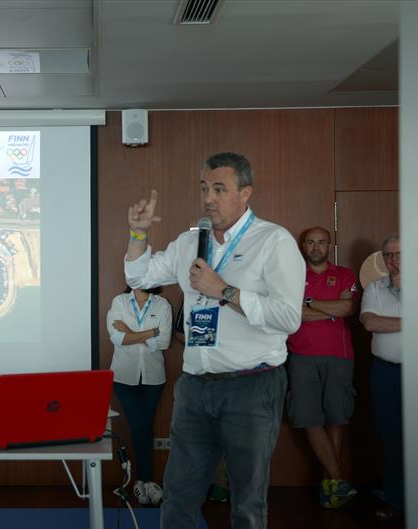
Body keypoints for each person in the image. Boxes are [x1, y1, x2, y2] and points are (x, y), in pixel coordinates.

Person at [124, 152, 304, 529]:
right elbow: (139, 276)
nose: (208, 197)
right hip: (194, 388)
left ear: (245, 193)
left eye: (220, 189)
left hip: (252, 386)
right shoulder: (191, 241)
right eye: (205, 188)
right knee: (178, 497)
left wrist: (225, 292)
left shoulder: (274, 241)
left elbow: (288, 318)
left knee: (246, 503)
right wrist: (138, 234)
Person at [286, 226, 359, 508]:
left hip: (339, 356)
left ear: (330, 245)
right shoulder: (291, 276)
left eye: (321, 242)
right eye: (310, 242)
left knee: (336, 417)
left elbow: (347, 309)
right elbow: (290, 315)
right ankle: (338, 479)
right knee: (309, 418)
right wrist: (329, 309)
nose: (316, 247)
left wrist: (309, 303)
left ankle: (331, 484)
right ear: (303, 246)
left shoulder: (345, 274)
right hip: (300, 355)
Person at [107, 285, 172, 505]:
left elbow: (164, 342)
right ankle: (147, 481)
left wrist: (131, 332)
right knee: (138, 425)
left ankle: (141, 483)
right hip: (124, 376)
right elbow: (117, 337)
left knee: (146, 424)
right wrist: (152, 332)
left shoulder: (162, 305)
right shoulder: (120, 302)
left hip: (153, 377)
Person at [360, 234, 403, 521]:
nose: (393, 260)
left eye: (399, 254)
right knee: (390, 437)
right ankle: (395, 500)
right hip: (386, 373)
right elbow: (370, 322)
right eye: (388, 255)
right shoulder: (374, 288)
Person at [174, 298, 230, 504]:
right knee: (196, 434)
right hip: (199, 376)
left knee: (228, 434)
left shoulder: (240, 289)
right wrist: (205, 341)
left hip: (235, 377)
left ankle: (220, 484)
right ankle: (197, 485)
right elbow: (180, 332)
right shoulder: (193, 293)